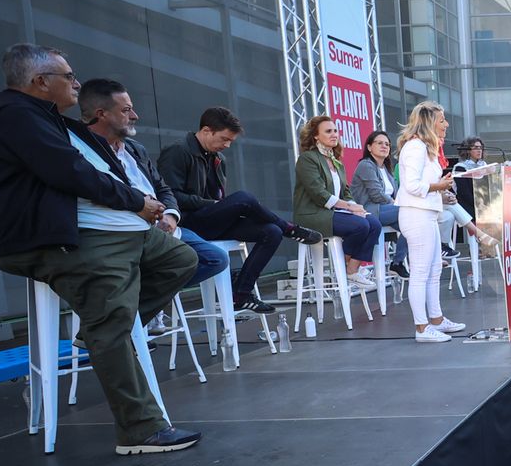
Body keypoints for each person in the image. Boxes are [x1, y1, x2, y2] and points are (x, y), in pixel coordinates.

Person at [0, 43, 200, 454]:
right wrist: (136, 203)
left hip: (88, 231)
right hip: (38, 239)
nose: (76, 83)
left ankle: (99, 331)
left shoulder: (44, 118)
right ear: (40, 82)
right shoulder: (16, 117)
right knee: (110, 314)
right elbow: (70, 172)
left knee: (180, 257)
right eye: (68, 77)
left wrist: (147, 210)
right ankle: (140, 430)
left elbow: (86, 172)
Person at [159, 105, 323, 311]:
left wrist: (221, 206)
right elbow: (170, 197)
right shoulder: (178, 151)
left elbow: (219, 197)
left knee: (271, 232)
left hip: (210, 220)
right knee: (244, 198)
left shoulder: (219, 159)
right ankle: (290, 228)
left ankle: (241, 293)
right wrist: (215, 205)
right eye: (224, 139)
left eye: (230, 141)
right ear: (207, 131)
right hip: (187, 224)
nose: (227, 145)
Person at [78, 79, 228, 295]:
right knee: (241, 209)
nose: (135, 116)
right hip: (124, 232)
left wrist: (170, 216)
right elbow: (103, 192)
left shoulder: (134, 149)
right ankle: (133, 306)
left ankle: (139, 302)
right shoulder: (81, 149)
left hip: (163, 228)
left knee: (216, 258)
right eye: (127, 110)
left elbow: (163, 188)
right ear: (102, 114)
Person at [393, 102, 463, 341]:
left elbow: (425, 188)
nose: (446, 124)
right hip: (416, 215)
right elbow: (411, 186)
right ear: (429, 123)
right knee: (421, 272)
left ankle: (436, 319)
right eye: (442, 120)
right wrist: (439, 186)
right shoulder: (415, 147)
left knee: (433, 270)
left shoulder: (427, 149)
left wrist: (443, 192)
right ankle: (421, 328)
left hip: (427, 214)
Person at [292, 115, 383, 293]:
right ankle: (346, 267)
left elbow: (346, 192)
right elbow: (319, 194)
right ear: (316, 136)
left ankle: (352, 269)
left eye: (335, 131)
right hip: (312, 214)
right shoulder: (308, 159)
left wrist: (354, 206)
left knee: (374, 224)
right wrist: (350, 207)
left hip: (335, 212)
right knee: (360, 225)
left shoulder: (336, 161)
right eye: (328, 131)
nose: (334, 134)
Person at [350, 130, 409, 281]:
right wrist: (398, 204)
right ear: (369, 147)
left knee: (411, 226)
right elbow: (376, 195)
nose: (384, 146)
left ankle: (397, 262)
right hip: (370, 210)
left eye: (387, 144)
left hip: (388, 211)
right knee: (410, 212)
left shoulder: (387, 170)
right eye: (379, 143)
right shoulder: (366, 165)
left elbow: (396, 194)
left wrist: (398, 203)